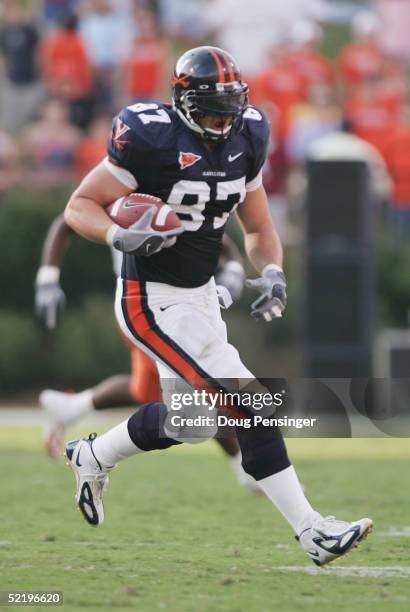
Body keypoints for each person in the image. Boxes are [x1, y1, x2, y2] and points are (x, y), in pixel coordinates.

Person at [63, 46, 372, 565]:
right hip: (151, 301)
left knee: (192, 422)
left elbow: (258, 228)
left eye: (229, 109)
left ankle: (93, 454)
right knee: (250, 408)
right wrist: (119, 234)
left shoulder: (248, 134)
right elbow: (79, 206)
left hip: (202, 299)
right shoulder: (148, 136)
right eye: (211, 111)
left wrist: (271, 271)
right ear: (183, 102)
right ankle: (313, 532)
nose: (223, 122)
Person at [35, 211, 254, 490]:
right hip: (142, 306)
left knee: (146, 391)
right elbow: (69, 218)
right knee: (194, 388)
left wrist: (234, 272)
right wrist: (48, 278)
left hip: (181, 306)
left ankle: (70, 408)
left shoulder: (181, 188)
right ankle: (244, 464)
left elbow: (218, 240)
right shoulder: (123, 183)